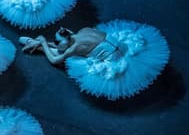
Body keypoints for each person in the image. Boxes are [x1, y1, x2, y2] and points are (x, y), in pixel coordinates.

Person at [19, 20, 170, 99]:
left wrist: (43, 41)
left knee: (69, 57)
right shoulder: (84, 30)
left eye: (59, 42)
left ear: (67, 40)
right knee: (73, 52)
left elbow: (55, 60)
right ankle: (35, 44)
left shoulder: (74, 47)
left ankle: (37, 45)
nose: (59, 44)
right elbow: (65, 47)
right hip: (124, 47)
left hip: (117, 62)